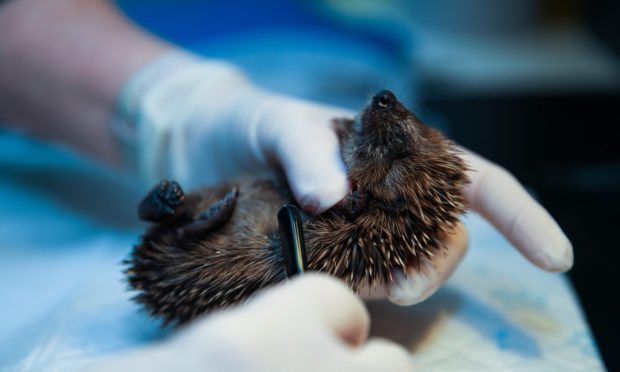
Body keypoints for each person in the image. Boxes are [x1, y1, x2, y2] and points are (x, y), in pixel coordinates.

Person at [0, 1, 573, 370]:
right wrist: (184, 109)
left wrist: (167, 102)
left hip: (220, 226)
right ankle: (183, 220)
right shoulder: (338, 178)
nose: (387, 109)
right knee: (220, 225)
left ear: (389, 195)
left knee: (203, 229)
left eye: (396, 146)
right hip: (239, 214)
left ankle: (178, 220)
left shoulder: (362, 223)